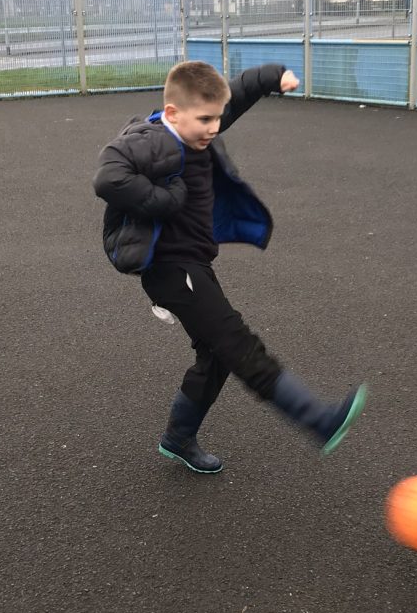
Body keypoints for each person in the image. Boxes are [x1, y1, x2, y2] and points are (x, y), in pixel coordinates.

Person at [92, 60, 366, 474]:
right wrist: (165, 201)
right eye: (205, 120)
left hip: (192, 263)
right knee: (238, 345)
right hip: (171, 269)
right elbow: (108, 177)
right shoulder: (154, 140)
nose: (214, 127)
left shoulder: (196, 129)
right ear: (172, 114)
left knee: (216, 355)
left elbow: (234, 96)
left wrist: (272, 77)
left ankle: (178, 438)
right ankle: (319, 420)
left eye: (217, 118)